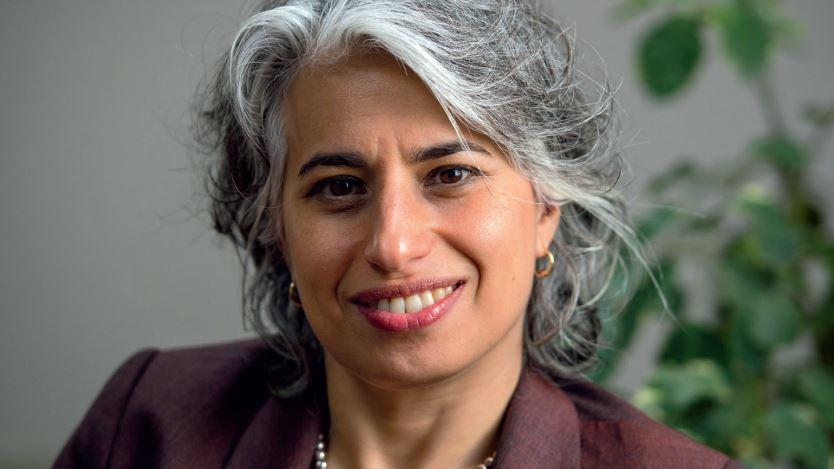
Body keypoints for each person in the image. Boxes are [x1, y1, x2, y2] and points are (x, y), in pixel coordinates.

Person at [54, 0, 743, 468]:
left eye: (451, 174)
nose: (393, 244)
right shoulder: (148, 425)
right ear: (276, 226)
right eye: (339, 187)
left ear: (545, 208)